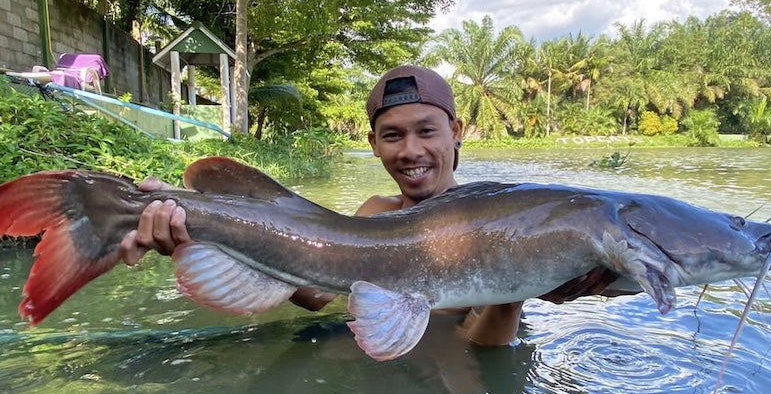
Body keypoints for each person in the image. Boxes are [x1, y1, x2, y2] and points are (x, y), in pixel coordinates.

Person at [119, 65, 524, 347]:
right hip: (372, 363)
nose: (410, 150)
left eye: (426, 131)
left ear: (455, 132)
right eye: (393, 135)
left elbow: (477, 353)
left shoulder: (495, 222)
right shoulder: (376, 213)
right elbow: (314, 294)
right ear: (373, 145)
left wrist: (514, 288)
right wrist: (199, 227)